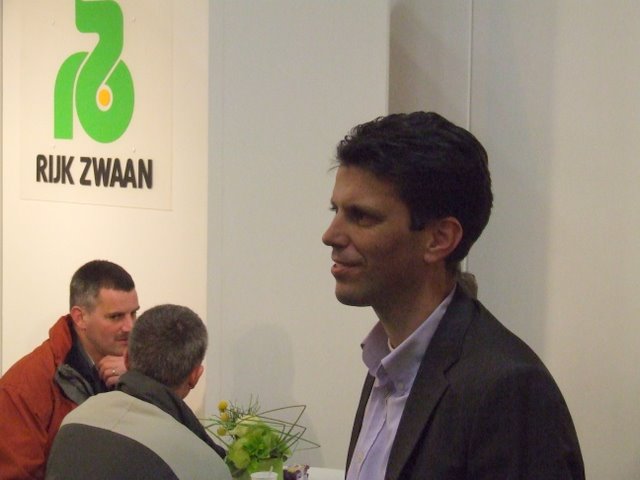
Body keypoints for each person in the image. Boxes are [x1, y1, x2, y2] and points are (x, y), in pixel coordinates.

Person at [321, 112, 585, 479]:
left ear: (439, 239)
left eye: (361, 216)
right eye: (336, 211)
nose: (330, 235)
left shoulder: (506, 389)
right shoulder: (387, 362)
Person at [45, 304, 230, 479]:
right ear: (195, 376)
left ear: (126, 359)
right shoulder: (204, 465)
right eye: (115, 316)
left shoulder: (74, 421)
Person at [0, 259, 139, 479]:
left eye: (134, 314)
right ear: (80, 317)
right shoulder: (23, 387)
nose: (130, 327)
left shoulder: (137, 369)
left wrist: (137, 378)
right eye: (116, 317)